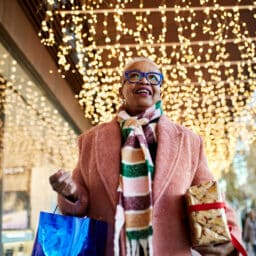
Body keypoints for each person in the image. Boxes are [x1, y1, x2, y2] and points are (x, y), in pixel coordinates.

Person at [49, 57, 244, 255]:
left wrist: (231, 242)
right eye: (134, 76)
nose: (144, 81)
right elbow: (79, 203)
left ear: (160, 90)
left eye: (153, 77)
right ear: (121, 90)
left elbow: (208, 196)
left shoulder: (189, 141)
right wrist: (70, 192)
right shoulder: (91, 140)